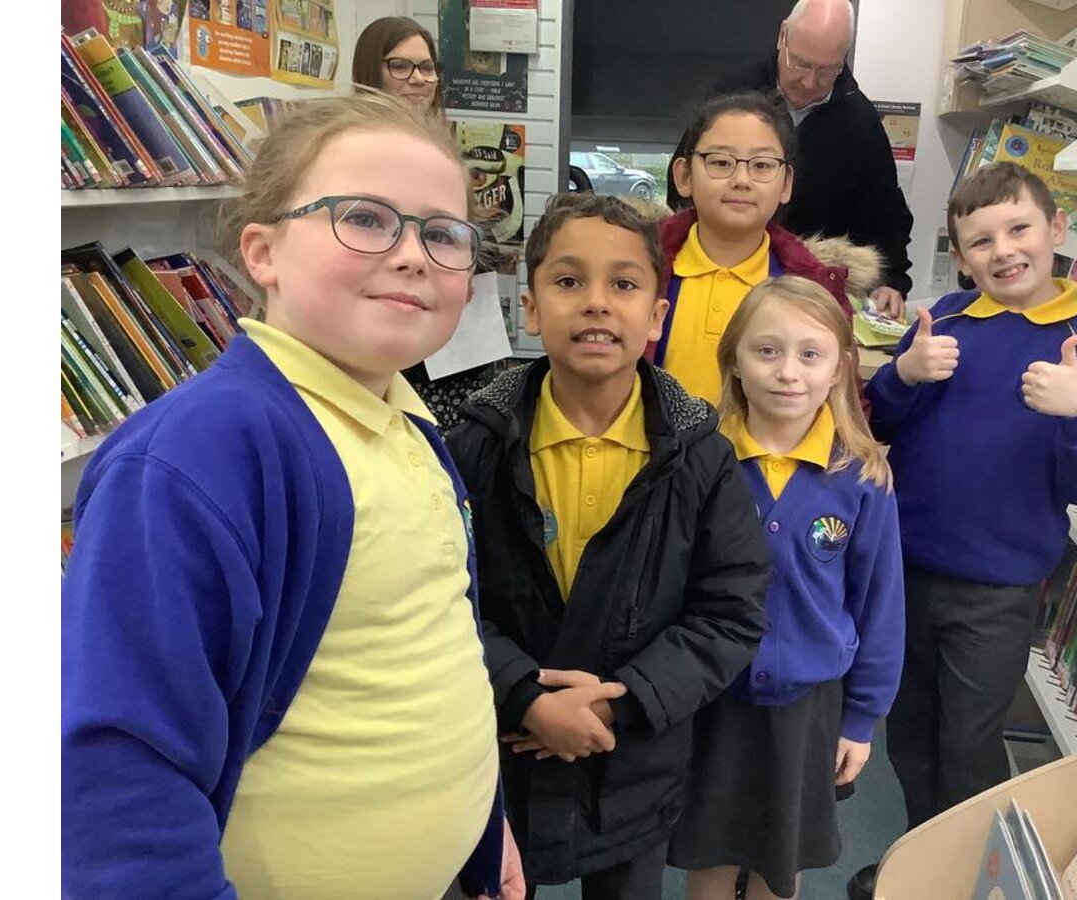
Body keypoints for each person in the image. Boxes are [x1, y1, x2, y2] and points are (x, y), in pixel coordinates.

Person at [61, 91, 522, 900]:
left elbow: (424, 649)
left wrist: (481, 820)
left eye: (444, 234)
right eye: (366, 218)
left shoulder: (405, 421)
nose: (413, 255)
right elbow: (118, 773)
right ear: (263, 252)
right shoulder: (200, 454)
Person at [446, 192, 771, 900]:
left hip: (633, 761)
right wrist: (524, 695)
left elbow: (729, 613)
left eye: (624, 284)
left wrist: (617, 704)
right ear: (531, 308)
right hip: (499, 748)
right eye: (569, 281)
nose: (596, 302)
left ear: (656, 317)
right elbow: (443, 599)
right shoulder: (474, 446)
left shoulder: (701, 458)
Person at [850, 161, 1077, 898]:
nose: (1004, 251)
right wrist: (902, 374)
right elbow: (875, 424)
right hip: (905, 573)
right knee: (909, 732)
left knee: (970, 747)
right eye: (981, 241)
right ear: (959, 255)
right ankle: (924, 863)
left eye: (1019, 229)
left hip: (999, 590)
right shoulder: (944, 321)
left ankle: (965, 880)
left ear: (1057, 229)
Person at [667, 276, 904, 900]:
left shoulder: (863, 477)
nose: (788, 372)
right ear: (735, 361)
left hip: (809, 706)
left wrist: (862, 719)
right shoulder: (699, 462)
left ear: (838, 369)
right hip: (711, 697)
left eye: (810, 353)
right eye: (767, 350)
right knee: (708, 854)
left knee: (782, 859)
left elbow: (879, 606)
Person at [664, 0, 913, 319]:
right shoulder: (731, 94)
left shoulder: (861, 124)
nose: (809, 81)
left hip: (809, 288)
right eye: (800, 63)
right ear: (783, 36)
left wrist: (892, 280)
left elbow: (886, 216)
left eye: (825, 70)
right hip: (713, 267)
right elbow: (683, 189)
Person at [655, 90, 880, 406]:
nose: (741, 179)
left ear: (786, 184)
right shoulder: (638, 270)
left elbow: (845, 403)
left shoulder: (814, 288)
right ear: (683, 176)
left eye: (761, 165)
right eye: (721, 162)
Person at [353, 15, 511, 432]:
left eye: (427, 68)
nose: (418, 79)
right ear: (371, 70)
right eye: (400, 66)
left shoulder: (440, 145)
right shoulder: (352, 150)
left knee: (467, 435)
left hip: (456, 333)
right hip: (392, 319)